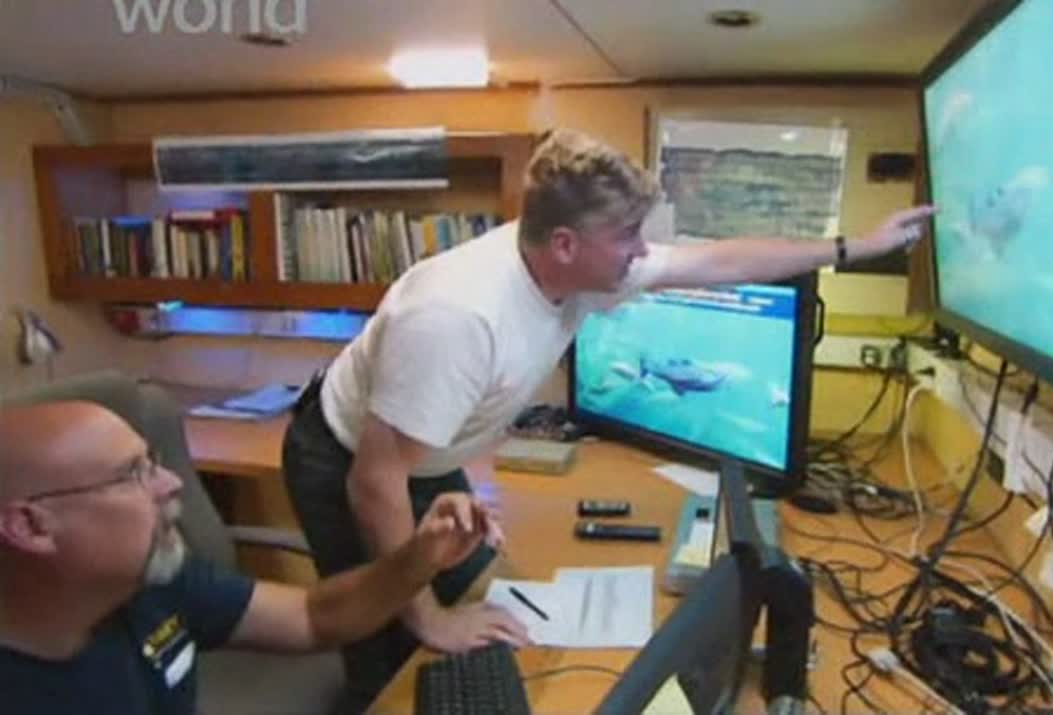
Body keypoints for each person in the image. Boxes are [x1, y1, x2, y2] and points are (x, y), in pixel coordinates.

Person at [282, 128, 935, 710]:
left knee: (476, 600)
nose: (640, 250)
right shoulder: (456, 317)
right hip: (346, 462)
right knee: (389, 650)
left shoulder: (576, 262)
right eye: (627, 235)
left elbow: (720, 261)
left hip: (423, 460)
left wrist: (854, 246)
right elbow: (375, 481)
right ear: (565, 244)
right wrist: (427, 618)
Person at [0, 400, 503, 714]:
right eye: (133, 474)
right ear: (30, 526)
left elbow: (312, 617)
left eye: (153, 462)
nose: (171, 482)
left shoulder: (153, 581)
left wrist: (417, 559)